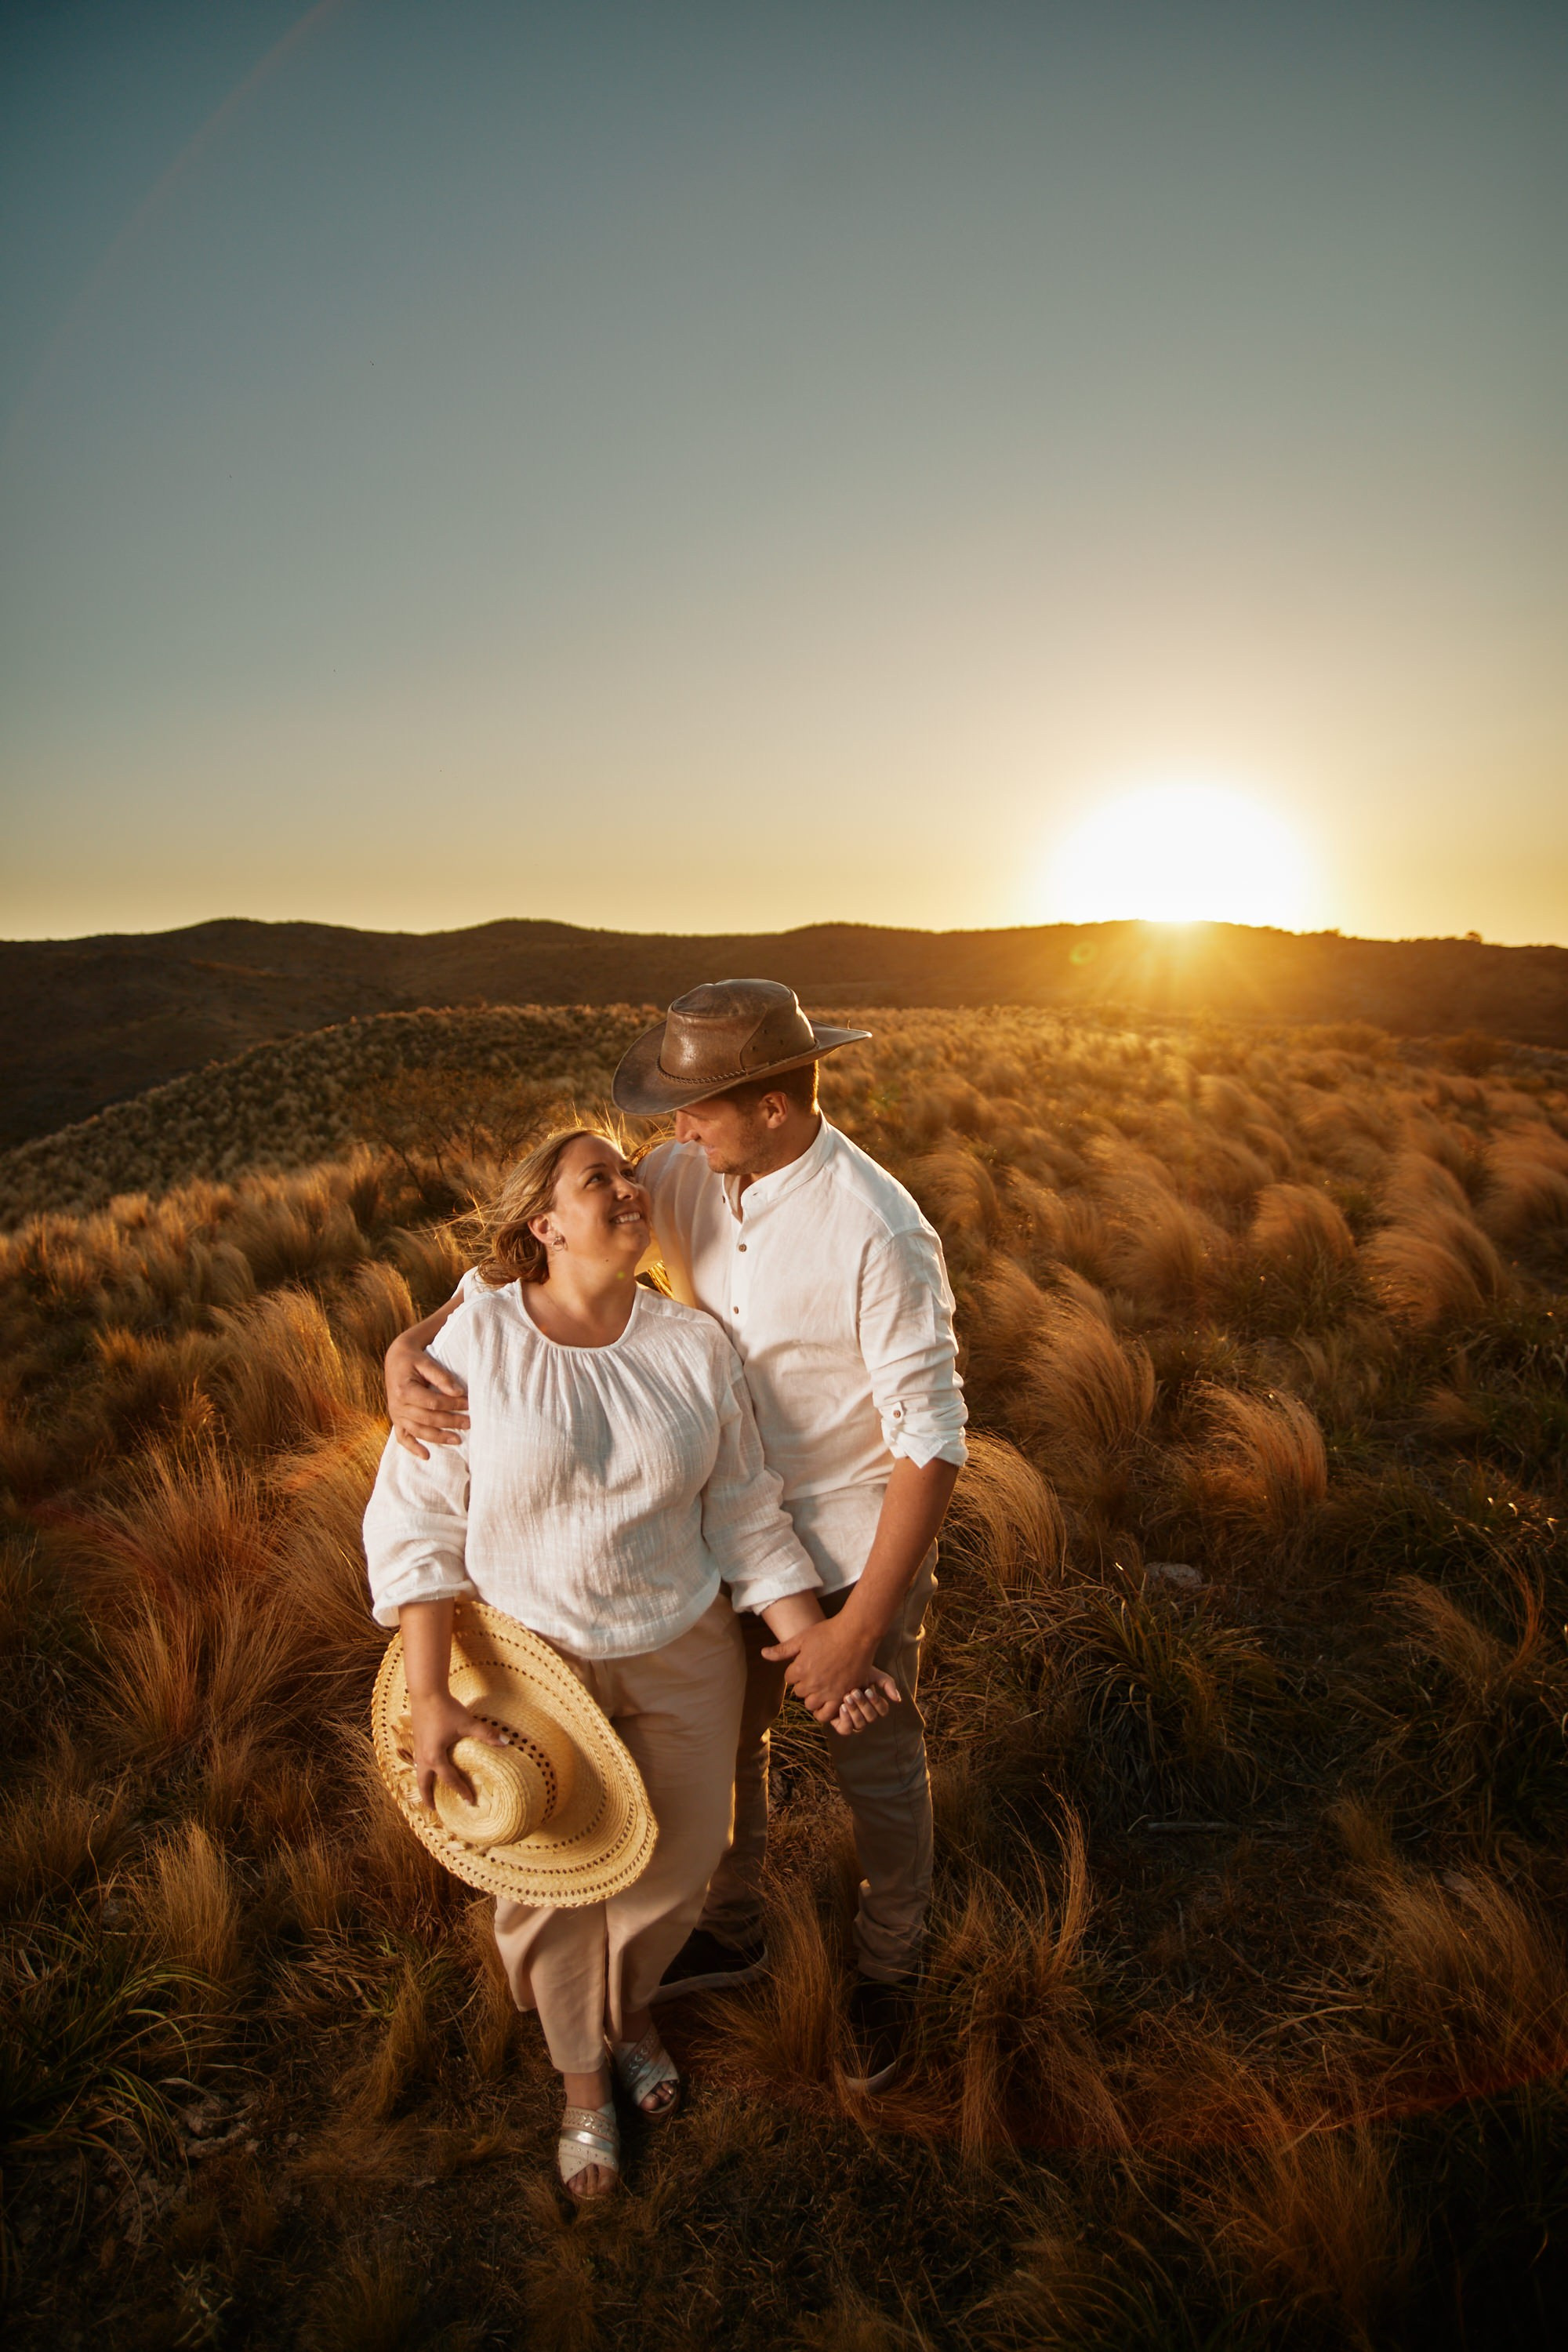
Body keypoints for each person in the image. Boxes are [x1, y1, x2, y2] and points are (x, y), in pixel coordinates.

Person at [387, 982, 967, 2090]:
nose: (671, 1137)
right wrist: (411, 1344)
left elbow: (933, 1443)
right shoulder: (688, 1170)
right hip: (702, 1528)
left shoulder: (879, 1231)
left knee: (877, 1763)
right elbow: (530, 1257)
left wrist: (861, 1626)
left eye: (695, 1111)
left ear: (775, 1108)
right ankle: (735, 1919)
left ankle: (894, 1963)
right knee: (731, 1749)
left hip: (846, 1551)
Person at [363, 1123, 891, 2199]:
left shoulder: (691, 1347)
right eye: (594, 1177)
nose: (628, 1187)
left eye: (632, 1172)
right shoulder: (475, 1344)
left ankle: (632, 2006)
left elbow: (745, 1517)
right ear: (544, 1224)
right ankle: (582, 2085)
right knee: (552, 1890)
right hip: (533, 1667)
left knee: (676, 1866)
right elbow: (417, 1521)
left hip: (686, 1654)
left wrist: (814, 1647)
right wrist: (427, 1691)